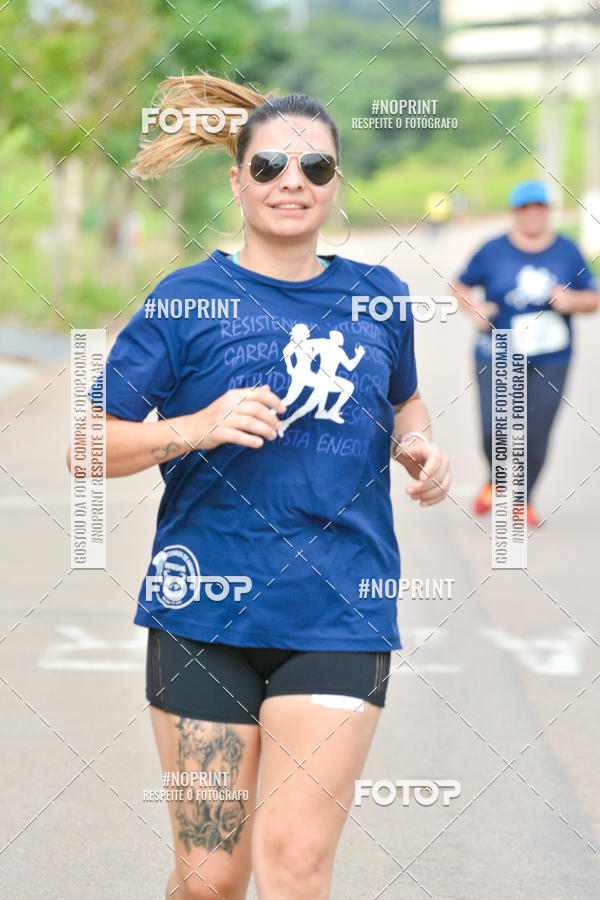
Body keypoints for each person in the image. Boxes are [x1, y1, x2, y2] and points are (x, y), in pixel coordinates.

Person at [67, 73, 450, 899]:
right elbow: (86, 447)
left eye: (315, 170)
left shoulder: (380, 300)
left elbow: (405, 401)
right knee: (209, 877)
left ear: (336, 184)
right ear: (238, 179)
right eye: (271, 165)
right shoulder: (184, 300)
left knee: (297, 865)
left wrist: (420, 446)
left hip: (339, 613)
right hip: (203, 615)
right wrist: (195, 426)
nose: (292, 184)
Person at [453, 179, 598, 526]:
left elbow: (592, 297)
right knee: (495, 429)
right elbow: (459, 284)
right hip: (497, 352)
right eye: (525, 208)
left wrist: (570, 301)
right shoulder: (492, 250)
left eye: (539, 208)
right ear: (514, 213)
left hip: (551, 357)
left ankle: (522, 499)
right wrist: (473, 308)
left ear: (548, 211)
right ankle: (497, 480)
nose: (533, 215)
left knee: (536, 431)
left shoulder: (567, 251)